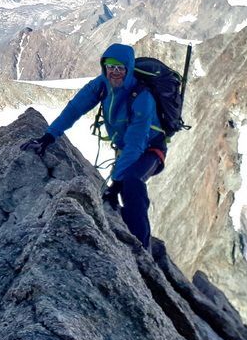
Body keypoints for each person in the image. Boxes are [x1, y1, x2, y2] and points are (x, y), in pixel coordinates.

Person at [21, 43, 166, 246]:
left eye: (120, 68)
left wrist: (117, 181)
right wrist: (48, 137)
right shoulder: (101, 85)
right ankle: (127, 228)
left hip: (151, 149)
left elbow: (136, 142)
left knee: (132, 183)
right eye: (110, 67)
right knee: (123, 186)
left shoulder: (142, 97)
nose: (114, 72)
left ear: (128, 69)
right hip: (127, 149)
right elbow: (75, 109)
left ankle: (142, 248)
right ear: (104, 67)